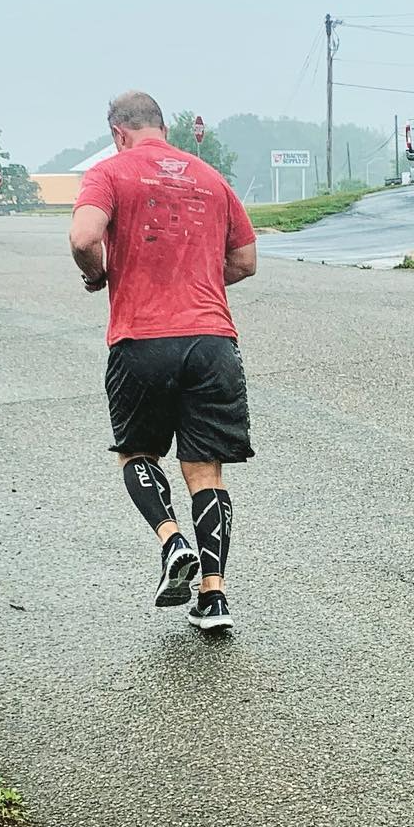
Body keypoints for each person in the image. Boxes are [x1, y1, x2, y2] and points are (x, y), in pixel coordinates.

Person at [69, 90, 258, 632]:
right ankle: (214, 597)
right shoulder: (210, 176)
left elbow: (84, 237)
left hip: (142, 340)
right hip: (212, 342)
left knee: (138, 452)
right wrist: (196, 278)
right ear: (164, 128)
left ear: (118, 133)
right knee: (206, 469)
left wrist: (99, 274)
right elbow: (245, 260)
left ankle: (172, 540)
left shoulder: (110, 172)